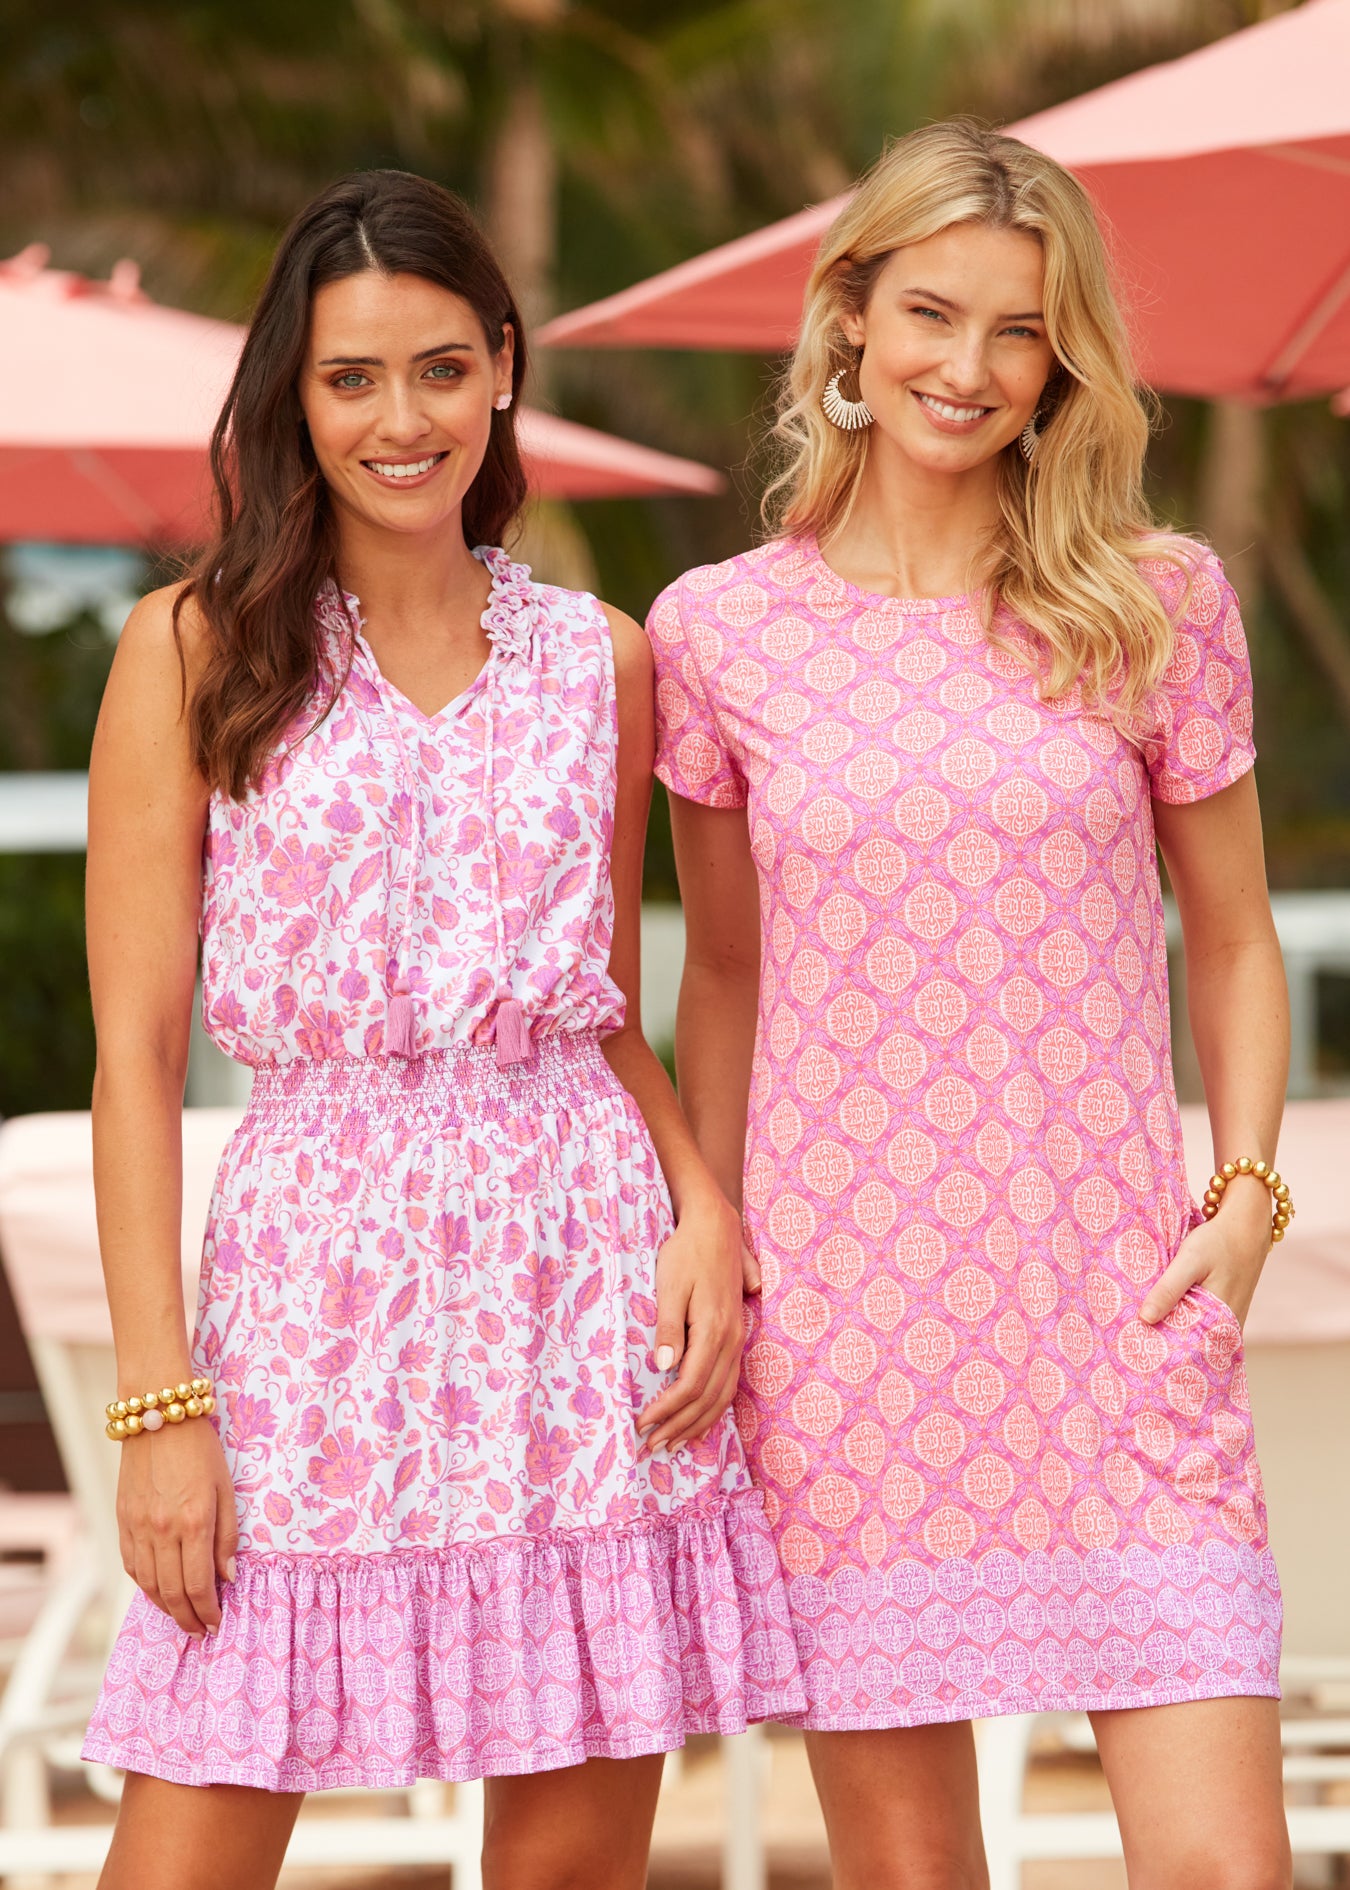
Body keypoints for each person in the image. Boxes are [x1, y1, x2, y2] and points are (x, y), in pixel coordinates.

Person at [82, 168, 803, 1890]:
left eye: (434, 369)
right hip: (304, 1299)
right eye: (349, 379)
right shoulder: (189, 651)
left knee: (565, 1860)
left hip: (577, 1286)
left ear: (499, 368)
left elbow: (599, 1003)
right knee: (188, 1841)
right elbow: (133, 1055)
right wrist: (160, 1405)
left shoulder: (602, 659)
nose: (398, 420)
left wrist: (704, 1203)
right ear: (293, 396)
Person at [650, 120, 1291, 1889]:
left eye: (1019, 330)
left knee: (1225, 1866)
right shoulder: (718, 631)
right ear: (848, 318)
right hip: (846, 1327)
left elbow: (1232, 939)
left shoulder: (1155, 602)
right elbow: (724, 970)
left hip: (1117, 1302)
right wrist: (711, 1223)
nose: (970, 368)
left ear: (1061, 355)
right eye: (932, 314)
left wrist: (1242, 1203)